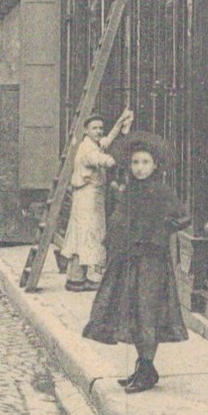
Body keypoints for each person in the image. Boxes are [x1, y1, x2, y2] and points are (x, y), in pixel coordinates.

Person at [83, 132, 191, 393]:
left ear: (155, 165)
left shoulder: (161, 191)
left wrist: (162, 230)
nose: (139, 168)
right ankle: (144, 367)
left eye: (144, 162)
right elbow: (119, 222)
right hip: (128, 260)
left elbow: (183, 216)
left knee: (147, 312)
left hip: (152, 262)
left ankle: (147, 367)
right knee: (131, 311)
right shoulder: (129, 190)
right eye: (135, 163)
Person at [58, 109, 133, 292]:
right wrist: (129, 149)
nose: (99, 131)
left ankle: (76, 278)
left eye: (100, 128)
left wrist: (120, 121)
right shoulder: (88, 150)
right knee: (91, 234)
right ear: (86, 130)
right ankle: (92, 278)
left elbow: (106, 140)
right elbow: (106, 161)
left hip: (87, 196)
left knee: (81, 235)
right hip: (89, 198)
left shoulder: (90, 143)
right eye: (95, 128)